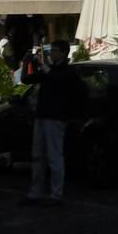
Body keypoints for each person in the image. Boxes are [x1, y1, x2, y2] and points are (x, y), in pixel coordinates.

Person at [21, 41, 84, 207]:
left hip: (56, 118)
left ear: (63, 53)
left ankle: (56, 194)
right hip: (42, 115)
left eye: (54, 51)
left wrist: (42, 64)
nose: (51, 54)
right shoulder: (51, 69)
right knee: (37, 156)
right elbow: (27, 79)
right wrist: (27, 63)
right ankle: (36, 192)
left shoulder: (67, 71)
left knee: (54, 156)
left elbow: (56, 79)